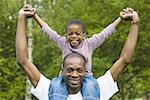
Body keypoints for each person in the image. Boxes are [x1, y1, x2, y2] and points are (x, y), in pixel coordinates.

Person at [16, 5, 139, 100]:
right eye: (70, 70)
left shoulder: (97, 88)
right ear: (62, 70)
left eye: (79, 70)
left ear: (84, 70)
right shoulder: (51, 89)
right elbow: (23, 61)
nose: (74, 74)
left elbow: (124, 59)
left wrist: (135, 23)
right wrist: (22, 18)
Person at [23, 4, 130, 75]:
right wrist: (35, 15)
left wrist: (120, 18)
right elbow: (49, 31)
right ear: (66, 35)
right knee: (55, 86)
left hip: (86, 77)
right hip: (65, 76)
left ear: (84, 35)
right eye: (70, 34)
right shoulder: (63, 43)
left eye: (77, 34)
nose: (74, 36)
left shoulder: (89, 43)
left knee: (92, 89)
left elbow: (106, 32)